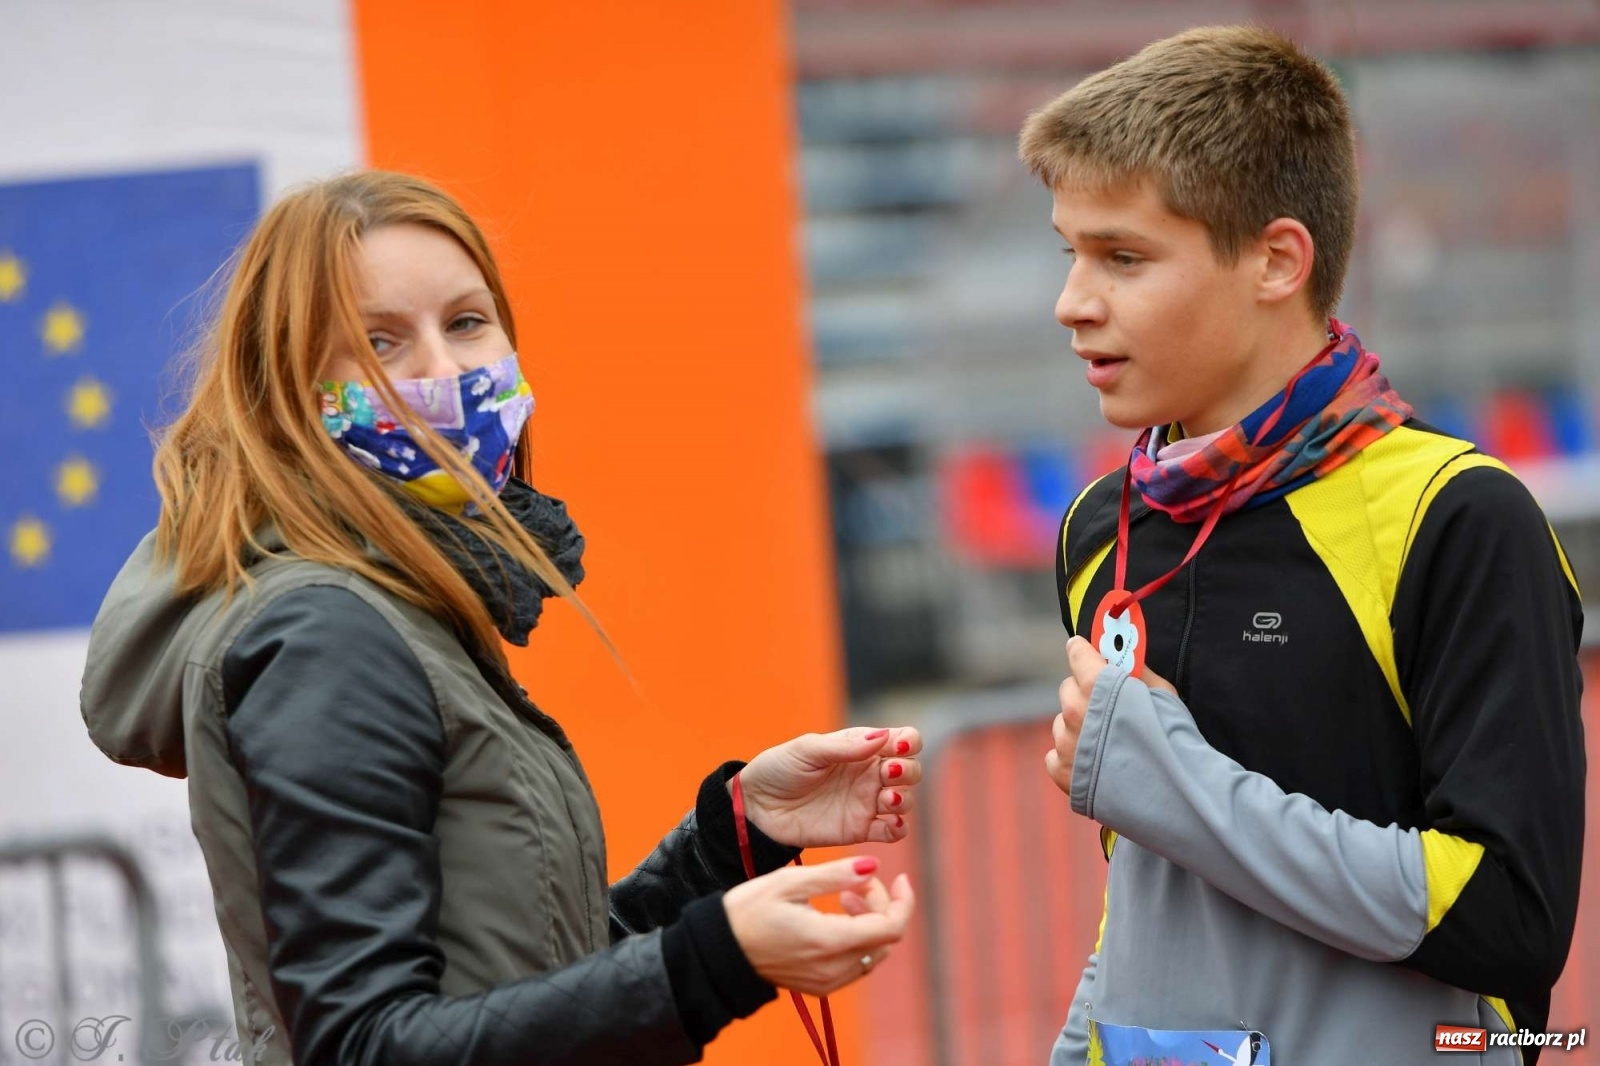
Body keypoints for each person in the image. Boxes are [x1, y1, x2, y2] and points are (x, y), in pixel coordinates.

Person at [79, 170, 919, 1066]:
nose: (445, 372)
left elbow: (531, 973)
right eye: (380, 342)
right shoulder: (328, 636)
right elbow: (366, 1046)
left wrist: (734, 838)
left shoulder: (400, 601)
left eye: (467, 322)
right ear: (291, 389)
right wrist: (715, 959)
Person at [1020, 25, 1585, 1066]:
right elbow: (1156, 890)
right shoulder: (1100, 527)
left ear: (1277, 260)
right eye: (1071, 253)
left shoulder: (1461, 517)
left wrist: (1167, 777)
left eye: (1123, 257)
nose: (1073, 303)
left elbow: (1511, 920)